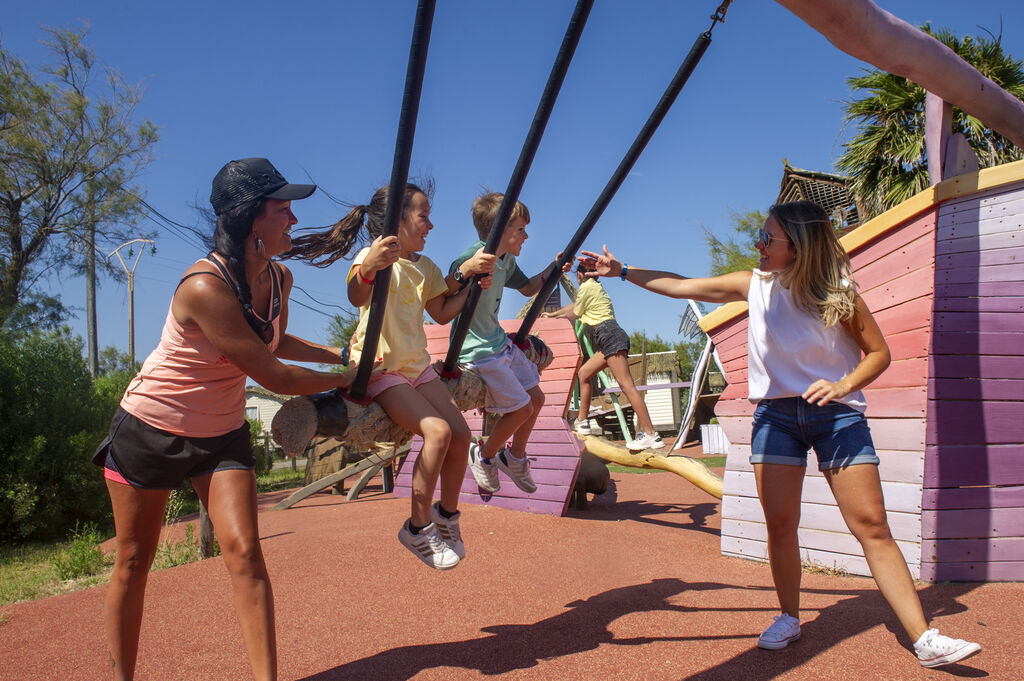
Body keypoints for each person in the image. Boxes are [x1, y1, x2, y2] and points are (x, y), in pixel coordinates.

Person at [580, 201, 982, 669]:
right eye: (760, 236)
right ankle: (789, 616)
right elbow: (680, 285)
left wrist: (843, 384)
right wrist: (622, 270)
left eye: (768, 238)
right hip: (775, 418)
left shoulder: (839, 293)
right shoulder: (753, 285)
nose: (759, 245)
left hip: (837, 414)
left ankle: (924, 638)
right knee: (779, 525)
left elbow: (878, 353)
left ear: (798, 245)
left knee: (871, 525)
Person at [93, 158, 366, 681]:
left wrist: (339, 354)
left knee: (244, 552)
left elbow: (273, 337)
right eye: (281, 208)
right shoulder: (204, 287)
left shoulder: (279, 278)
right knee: (132, 563)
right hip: (151, 428)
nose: (292, 219)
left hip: (221, 436)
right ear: (249, 219)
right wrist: (350, 378)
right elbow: (277, 376)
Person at [286, 181, 495, 570]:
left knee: (462, 434)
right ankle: (416, 528)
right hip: (382, 366)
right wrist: (369, 265)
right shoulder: (375, 256)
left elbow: (442, 311)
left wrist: (469, 283)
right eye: (423, 216)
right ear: (397, 221)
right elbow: (356, 294)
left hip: (417, 366)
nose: (430, 225)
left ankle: (446, 516)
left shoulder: (426, 267)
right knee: (438, 432)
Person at [449, 191, 564, 495]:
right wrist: (467, 273)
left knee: (536, 399)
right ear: (500, 230)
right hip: (476, 350)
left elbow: (528, 289)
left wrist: (552, 270)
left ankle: (513, 457)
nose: (526, 236)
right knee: (521, 408)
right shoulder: (470, 259)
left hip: (498, 342)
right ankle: (484, 454)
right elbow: (447, 294)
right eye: (521, 229)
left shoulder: (506, 260)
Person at [543, 260, 664, 450]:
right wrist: (554, 315)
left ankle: (651, 434)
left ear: (580, 275)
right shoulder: (594, 288)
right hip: (608, 338)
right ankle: (583, 422)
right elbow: (574, 306)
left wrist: (553, 317)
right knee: (584, 374)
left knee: (626, 385)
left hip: (610, 336)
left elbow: (574, 311)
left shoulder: (587, 288)